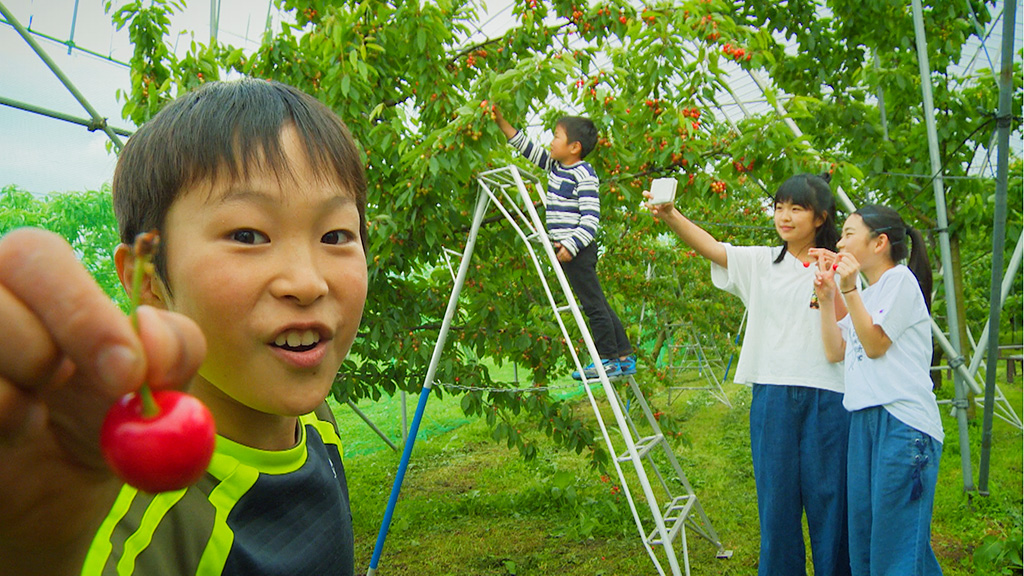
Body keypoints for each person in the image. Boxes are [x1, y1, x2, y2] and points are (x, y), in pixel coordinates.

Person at [0, 78, 367, 576]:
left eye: (336, 234)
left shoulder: (313, 420)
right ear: (147, 280)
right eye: (248, 234)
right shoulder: (142, 528)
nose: (308, 282)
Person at [646, 173, 851, 576]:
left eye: (796, 208)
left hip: (830, 396)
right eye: (779, 207)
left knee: (833, 504)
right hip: (772, 396)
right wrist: (670, 214)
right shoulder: (761, 263)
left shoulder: (842, 269)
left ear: (821, 217)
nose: (784, 216)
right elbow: (711, 247)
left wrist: (842, 281)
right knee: (776, 505)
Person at [811, 204, 943, 576]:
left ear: (880, 242)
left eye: (849, 234)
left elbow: (874, 345)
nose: (839, 242)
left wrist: (848, 288)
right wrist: (826, 297)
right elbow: (835, 351)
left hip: (902, 424)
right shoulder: (868, 295)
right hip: (864, 421)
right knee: (869, 541)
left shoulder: (900, 281)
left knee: (897, 546)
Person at [492, 108, 635, 380]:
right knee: (598, 301)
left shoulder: (584, 174)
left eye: (557, 136)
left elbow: (591, 219)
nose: (551, 141)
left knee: (592, 305)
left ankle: (607, 359)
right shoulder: (556, 167)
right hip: (568, 249)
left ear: (574, 147)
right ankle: (624, 355)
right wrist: (501, 121)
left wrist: (570, 246)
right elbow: (527, 147)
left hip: (577, 251)